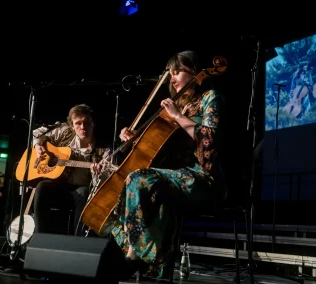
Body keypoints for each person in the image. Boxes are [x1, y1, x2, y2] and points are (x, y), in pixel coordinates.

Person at [110, 50, 228, 278]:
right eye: (170, 74)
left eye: (176, 72)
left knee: (138, 178)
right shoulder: (178, 106)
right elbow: (159, 148)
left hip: (204, 177)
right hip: (175, 178)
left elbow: (209, 138)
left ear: (194, 70)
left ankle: (133, 258)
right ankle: (158, 270)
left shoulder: (210, 97)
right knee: (159, 199)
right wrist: (135, 137)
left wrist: (177, 116)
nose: (171, 79)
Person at [32, 104, 112, 236]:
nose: (83, 127)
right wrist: (37, 146)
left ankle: (77, 240)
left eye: (87, 122)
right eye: (78, 123)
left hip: (79, 190)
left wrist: (97, 174)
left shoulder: (103, 150)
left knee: (84, 192)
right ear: (72, 126)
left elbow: (104, 182)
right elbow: (36, 133)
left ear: (93, 123)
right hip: (59, 184)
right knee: (42, 187)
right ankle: (41, 237)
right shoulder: (65, 132)